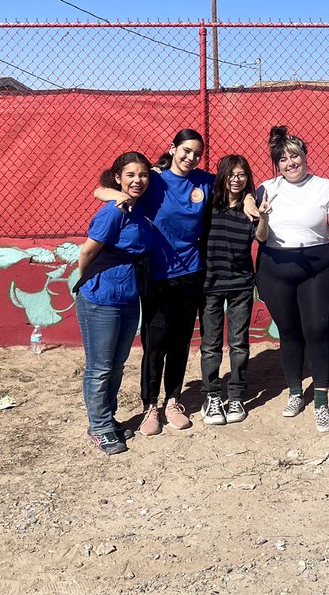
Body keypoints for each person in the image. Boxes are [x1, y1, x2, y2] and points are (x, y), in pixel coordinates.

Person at [95, 129, 216, 435]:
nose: (191, 158)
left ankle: (173, 400)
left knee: (180, 342)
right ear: (173, 149)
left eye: (197, 154)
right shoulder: (155, 178)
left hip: (190, 274)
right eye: (185, 151)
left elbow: (235, 187)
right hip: (155, 275)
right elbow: (101, 190)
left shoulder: (204, 180)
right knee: (155, 343)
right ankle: (151, 406)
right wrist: (119, 195)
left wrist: (253, 202)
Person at [254, 126, 329, 433]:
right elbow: (260, 235)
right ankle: (295, 392)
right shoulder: (266, 188)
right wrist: (264, 216)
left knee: (316, 329)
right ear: (276, 164)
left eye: (294, 156)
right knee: (289, 332)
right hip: (275, 267)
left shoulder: (323, 185)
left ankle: (321, 400)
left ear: (305, 156)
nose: (290, 163)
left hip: (317, 267)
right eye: (282, 159)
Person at [75, 151, 155, 455]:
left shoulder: (136, 207)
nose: (138, 180)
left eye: (143, 174)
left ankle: (108, 417)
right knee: (100, 366)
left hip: (128, 297)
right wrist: (91, 284)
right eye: (131, 175)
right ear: (119, 177)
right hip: (100, 298)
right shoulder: (115, 210)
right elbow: (87, 253)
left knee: (117, 365)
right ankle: (98, 426)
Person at [199, 154, 258, 426]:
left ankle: (236, 395)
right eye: (231, 174)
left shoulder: (251, 209)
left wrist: (250, 199)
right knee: (210, 346)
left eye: (242, 174)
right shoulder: (208, 205)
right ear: (222, 176)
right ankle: (211, 396)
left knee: (238, 344)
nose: (237, 179)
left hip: (241, 285)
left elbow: (263, 234)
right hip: (210, 285)